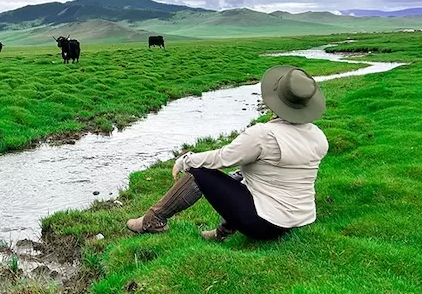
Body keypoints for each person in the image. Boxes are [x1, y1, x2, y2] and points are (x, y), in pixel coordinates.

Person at [126, 65, 330, 242]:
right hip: (301, 219)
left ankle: (153, 220)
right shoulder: (318, 135)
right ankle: (221, 232)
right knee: (243, 176)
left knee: (200, 170)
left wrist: (185, 160)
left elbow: (223, 158)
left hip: (265, 224)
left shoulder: (263, 134)